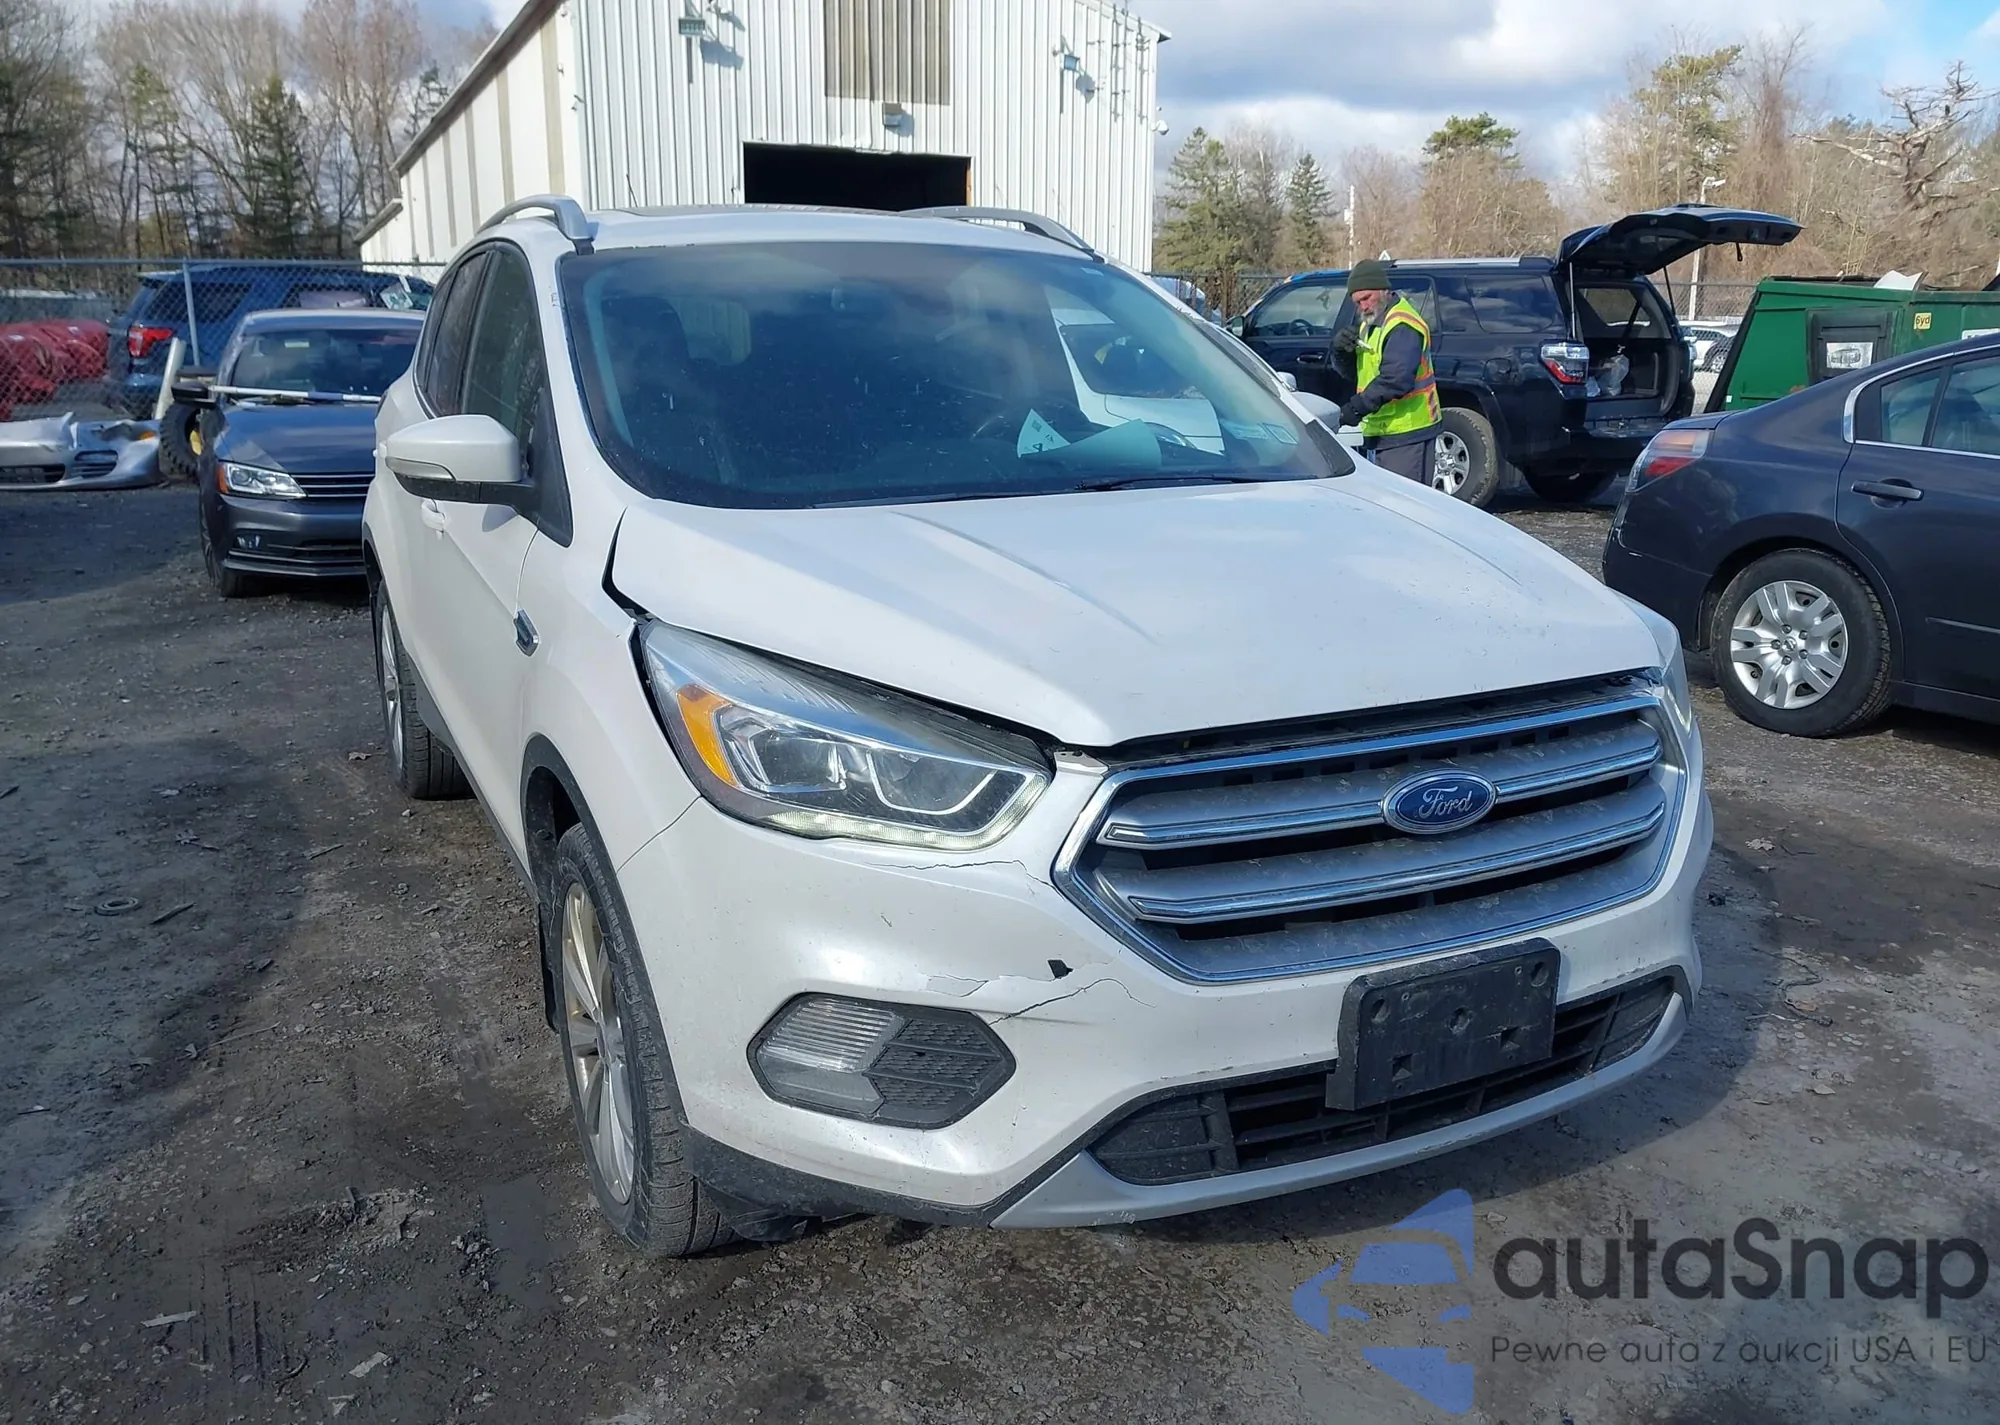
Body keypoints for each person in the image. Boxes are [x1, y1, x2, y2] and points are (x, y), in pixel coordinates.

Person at [1332, 259, 1442, 485]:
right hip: (1381, 432)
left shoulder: (1402, 325)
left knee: (1405, 503)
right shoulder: (1370, 323)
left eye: (1366, 298)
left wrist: (1354, 408)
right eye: (1357, 302)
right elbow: (1358, 374)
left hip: (1408, 432)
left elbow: (1396, 380)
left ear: (1383, 290)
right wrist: (1340, 351)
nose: (1363, 306)